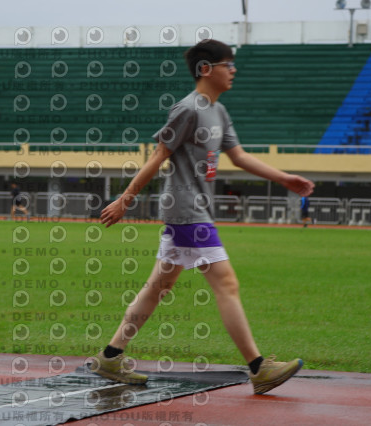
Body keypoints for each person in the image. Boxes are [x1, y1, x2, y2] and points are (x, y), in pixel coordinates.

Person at [90, 39, 315, 395]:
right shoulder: (187, 109)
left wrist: (284, 178)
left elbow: (239, 157)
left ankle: (110, 356)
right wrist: (125, 199)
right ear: (206, 69)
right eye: (228, 64)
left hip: (194, 210)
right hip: (187, 210)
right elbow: (158, 155)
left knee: (158, 287)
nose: (234, 70)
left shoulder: (219, 111)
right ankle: (258, 368)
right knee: (227, 284)